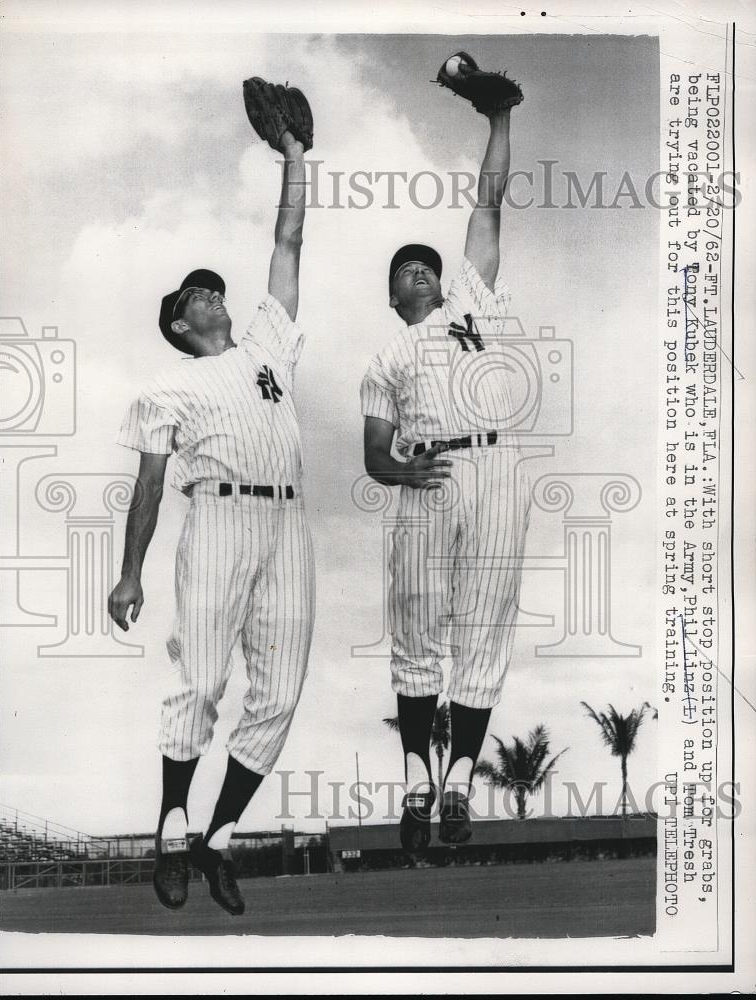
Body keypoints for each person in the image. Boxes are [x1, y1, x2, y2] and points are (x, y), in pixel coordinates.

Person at [108, 99, 314, 916]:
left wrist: (296, 153)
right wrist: (129, 575)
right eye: (197, 293)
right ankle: (171, 826)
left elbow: (289, 241)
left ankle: (218, 838)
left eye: (213, 288)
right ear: (176, 322)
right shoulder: (169, 384)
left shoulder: (266, 345)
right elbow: (150, 482)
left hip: (289, 523)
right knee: (200, 680)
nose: (212, 295)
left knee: (281, 693)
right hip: (219, 515)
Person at [360, 54, 530, 854]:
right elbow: (370, 454)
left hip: (494, 468)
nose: (421, 271)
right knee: (418, 630)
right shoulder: (385, 359)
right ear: (395, 297)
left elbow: (488, 201)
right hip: (426, 476)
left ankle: (459, 779)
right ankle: (416, 780)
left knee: (487, 627)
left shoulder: (473, 298)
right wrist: (400, 470)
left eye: (426, 263)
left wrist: (497, 118)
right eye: (406, 271)